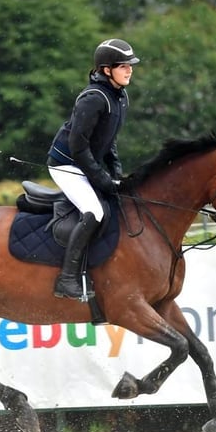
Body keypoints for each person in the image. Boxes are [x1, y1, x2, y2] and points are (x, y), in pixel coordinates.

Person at [47, 38, 140, 301]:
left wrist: (116, 177)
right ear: (107, 70)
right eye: (124, 66)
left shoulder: (119, 96)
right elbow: (78, 147)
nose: (130, 70)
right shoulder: (93, 98)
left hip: (86, 161)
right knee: (95, 212)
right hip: (66, 164)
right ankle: (67, 279)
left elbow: (109, 142)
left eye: (130, 66)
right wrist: (102, 179)